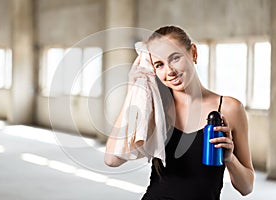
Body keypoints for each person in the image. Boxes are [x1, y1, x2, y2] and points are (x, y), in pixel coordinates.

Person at [104, 25, 254, 200]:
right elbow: (112, 159)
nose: (170, 71)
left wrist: (229, 158)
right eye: (159, 65)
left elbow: (246, 187)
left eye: (175, 58)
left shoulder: (229, 109)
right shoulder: (157, 108)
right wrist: (132, 89)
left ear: (193, 53)